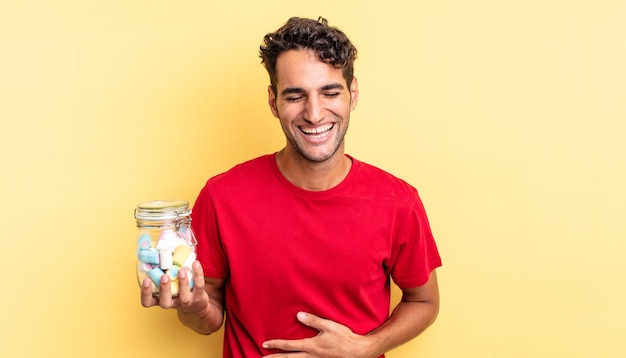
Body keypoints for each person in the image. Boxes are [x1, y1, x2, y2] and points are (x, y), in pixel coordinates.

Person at [141, 16, 442, 358]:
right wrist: (194, 308)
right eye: (295, 96)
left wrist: (367, 346)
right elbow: (208, 314)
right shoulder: (222, 196)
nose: (314, 114)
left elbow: (425, 300)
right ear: (273, 101)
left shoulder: (396, 201)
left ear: (352, 93)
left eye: (330, 92)